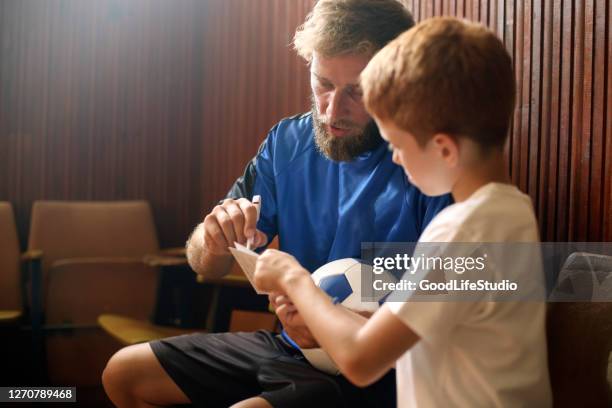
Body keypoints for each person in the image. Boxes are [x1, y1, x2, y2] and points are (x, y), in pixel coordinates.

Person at [101, 1, 451, 407]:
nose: (332, 110)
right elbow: (205, 265)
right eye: (322, 84)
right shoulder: (288, 143)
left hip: (381, 370)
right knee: (123, 373)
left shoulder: (425, 160)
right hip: (292, 348)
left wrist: (327, 318)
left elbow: (457, 302)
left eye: (356, 92)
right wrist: (212, 240)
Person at [253, 17, 552, 408]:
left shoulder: (464, 235)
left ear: (444, 148)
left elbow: (361, 358)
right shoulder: (511, 212)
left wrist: (294, 279)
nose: (393, 156)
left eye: (397, 143)